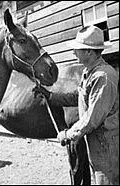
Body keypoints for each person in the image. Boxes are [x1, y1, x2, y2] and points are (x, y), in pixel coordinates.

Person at [33, 25, 119, 185]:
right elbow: (79, 97)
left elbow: (92, 118)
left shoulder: (103, 77)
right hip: (97, 143)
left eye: (77, 49)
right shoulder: (90, 73)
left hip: (106, 145)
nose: (73, 52)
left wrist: (67, 134)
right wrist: (50, 96)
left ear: (89, 52)